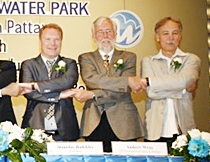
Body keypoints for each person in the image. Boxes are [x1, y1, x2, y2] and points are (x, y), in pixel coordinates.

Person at [73, 16, 145, 152]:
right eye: (100, 32)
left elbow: (124, 90)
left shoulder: (129, 57)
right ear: (94, 36)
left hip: (125, 123)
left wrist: (93, 94)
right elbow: (92, 80)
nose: (105, 35)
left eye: (108, 31)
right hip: (94, 122)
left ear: (115, 34)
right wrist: (125, 81)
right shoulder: (86, 58)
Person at [141, 17, 200, 149]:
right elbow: (150, 92)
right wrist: (182, 89)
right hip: (154, 131)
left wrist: (152, 82)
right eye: (165, 33)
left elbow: (185, 80)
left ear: (180, 36)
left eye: (175, 33)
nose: (170, 38)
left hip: (184, 130)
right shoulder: (148, 61)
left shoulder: (191, 59)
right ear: (157, 37)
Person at [18, 23, 79, 141]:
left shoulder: (70, 63)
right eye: (48, 39)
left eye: (57, 39)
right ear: (40, 40)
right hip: (35, 126)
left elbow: (67, 82)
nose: (53, 43)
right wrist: (59, 95)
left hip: (65, 128)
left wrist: (36, 85)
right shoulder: (28, 65)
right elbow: (29, 93)